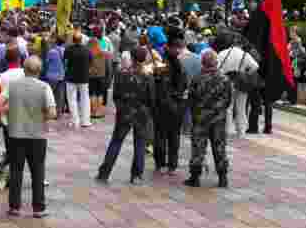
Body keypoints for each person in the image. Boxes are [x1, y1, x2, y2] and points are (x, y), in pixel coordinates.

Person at [0, 56, 55, 218]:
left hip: (15, 133)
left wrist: (9, 112)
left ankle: (15, 207)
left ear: (24, 69)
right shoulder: (44, 87)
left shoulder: (13, 86)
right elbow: (52, 113)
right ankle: (38, 208)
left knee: (16, 170)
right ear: (39, 70)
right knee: (38, 171)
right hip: (37, 134)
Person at [96, 46, 155, 185]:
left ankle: (104, 173)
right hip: (141, 112)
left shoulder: (122, 73)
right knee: (140, 143)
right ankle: (137, 175)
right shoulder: (147, 76)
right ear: (144, 59)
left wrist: (121, 108)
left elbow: (115, 95)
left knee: (116, 141)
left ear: (132, 58)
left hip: (125, 112)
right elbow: (152, 98)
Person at [185, 50, 232, 188]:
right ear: (216, 62)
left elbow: (191, 99)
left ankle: (195, 177)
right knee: (220, 148)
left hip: (200, 119)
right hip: (218, 119)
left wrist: (196, 114)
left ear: (203, 62)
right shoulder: (224, 79)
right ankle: (223, 178)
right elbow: (228, 100)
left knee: (198, 148)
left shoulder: (197, 78)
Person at [154, 28, 191, 174]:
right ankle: (167, 164)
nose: (178, 50)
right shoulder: (166, 64)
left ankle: (166, 164)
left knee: (166, 136)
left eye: (179, 47)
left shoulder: (174, 65)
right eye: (176, 47)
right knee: (168, 136)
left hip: (169, 106)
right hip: (170, 105)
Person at [215, 33, 258, 137]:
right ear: (241, 44)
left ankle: (227, 130)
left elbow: (217, 67)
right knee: (241, 107)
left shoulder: (222, 53)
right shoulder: (245, 55)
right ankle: (241, 131)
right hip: (242, 83)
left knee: (228, 107)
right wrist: (246, 73)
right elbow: (255, 66)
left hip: (226, 82)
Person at [64, 31, 92, 128]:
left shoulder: (68, 49)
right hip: (84, 77)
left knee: (72, 99)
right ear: (81, 40)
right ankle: (85, 121)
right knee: (85, 99)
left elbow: (65, 62)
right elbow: (90, 63)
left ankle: (75, 120)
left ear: (73, 40)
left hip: (71, 77)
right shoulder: (87, 50)